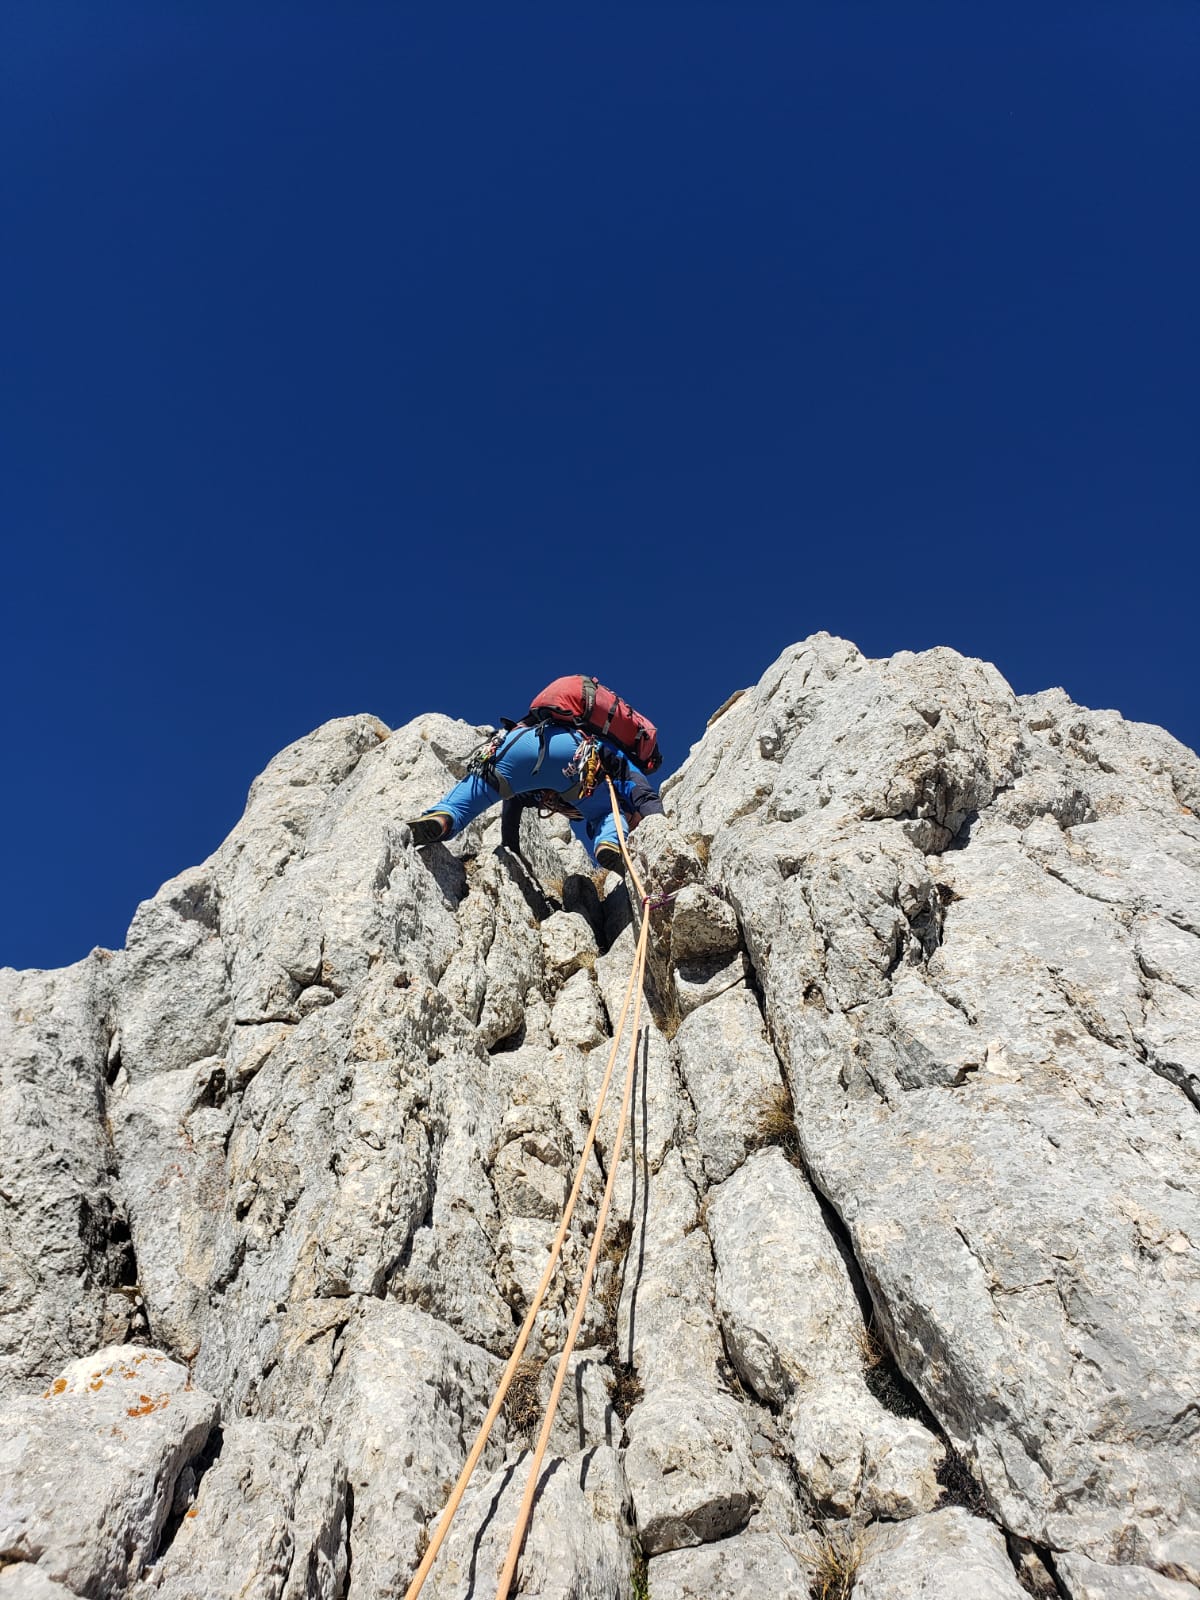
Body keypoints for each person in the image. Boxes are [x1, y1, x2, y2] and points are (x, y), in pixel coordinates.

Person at [408, 720, 664, 872]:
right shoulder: (617, 761)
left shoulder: (549, 791)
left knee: (483, 783)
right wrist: (662, 830)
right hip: (574, 752)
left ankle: (443, 817)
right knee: (608, 813)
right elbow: (646, 797)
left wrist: (511, 847)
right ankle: (609, 843)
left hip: (518, 740)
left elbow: (514, 800)